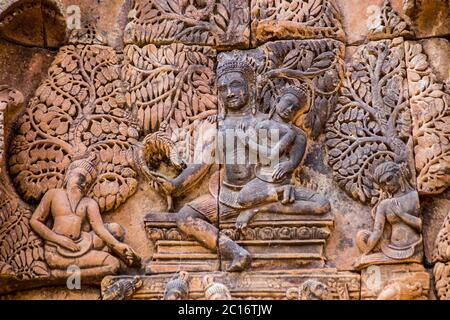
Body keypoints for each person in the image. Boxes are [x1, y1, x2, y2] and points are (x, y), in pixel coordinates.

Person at [234, 84, 330, 229]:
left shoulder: (297, 134)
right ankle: (275, 196)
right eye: (288, 103)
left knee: (322, 204)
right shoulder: (260, 124)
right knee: (242, 198)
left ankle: (258, 208)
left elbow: (288, 160)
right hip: (262, 181)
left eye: (295, 108)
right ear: (277, 100)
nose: (290, 109)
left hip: (282, 181)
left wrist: (289, 165)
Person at [30, 156, 140, 278]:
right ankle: (58, 275)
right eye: (81, 177)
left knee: (113, 260)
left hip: (81, 246)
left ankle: (68, 275)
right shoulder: (53, 194)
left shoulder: (89, 203)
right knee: (111, 262)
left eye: (87, 182)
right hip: (56, 250)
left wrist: (118, 246)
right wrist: (59, 239)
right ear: (68, 176)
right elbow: (35, 221)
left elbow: (100, 229)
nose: (83, 183)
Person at [355, 161, 423, 269]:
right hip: (391, 249)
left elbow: (421, 225)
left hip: (414, 247)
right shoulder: (384, 205)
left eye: (389, 179)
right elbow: (377, 231)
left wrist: (402, 214)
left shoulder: (414, 197)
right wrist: (366, 250)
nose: (387, 186)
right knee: (364, 255)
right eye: (382, 184)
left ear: (398, 174)